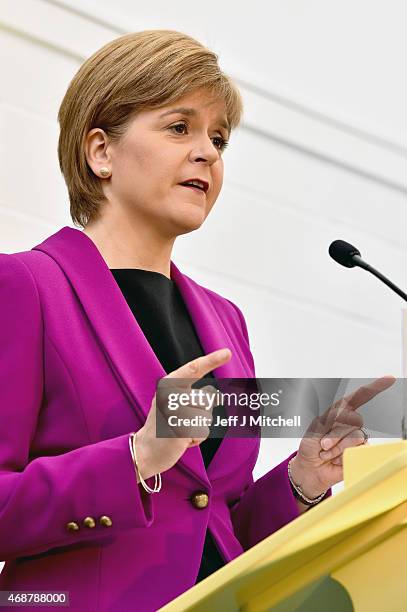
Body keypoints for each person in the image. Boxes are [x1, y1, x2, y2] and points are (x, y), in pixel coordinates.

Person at [0, 30, 394, 612]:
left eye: (219, 138)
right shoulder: (25, 287)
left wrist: (301, 480)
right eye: (179, 127)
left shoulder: (226, 322)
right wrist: (134, 456)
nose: (208, 152)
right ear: (100, 152)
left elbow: (214, 525)